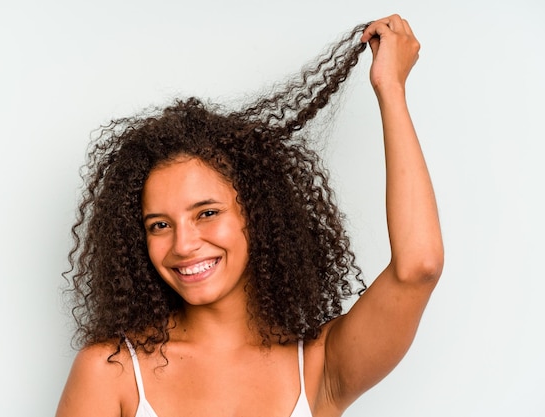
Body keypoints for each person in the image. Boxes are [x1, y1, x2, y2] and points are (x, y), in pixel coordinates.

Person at [56, 14, 443, 417]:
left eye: (206, 213)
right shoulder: (112, 371)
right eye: (159, 225)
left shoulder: (318, 365)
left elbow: (419, 268)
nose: (183, 244)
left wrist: (391, 89)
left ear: (257, 215)